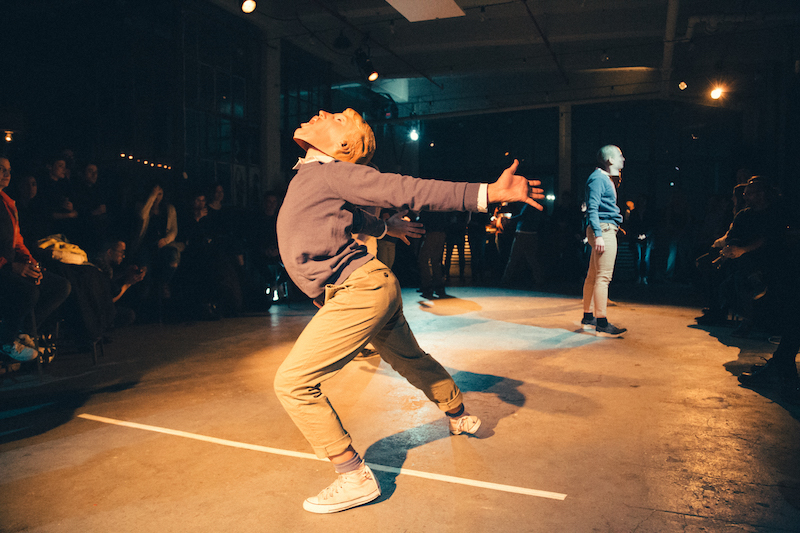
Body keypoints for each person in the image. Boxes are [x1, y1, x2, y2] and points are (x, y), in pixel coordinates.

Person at [273, 108, 543, 514]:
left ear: (341, 147)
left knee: (293, 383)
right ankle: (457, 412)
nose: (323, 111)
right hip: (371, 287)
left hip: (358, 291)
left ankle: (352, 476)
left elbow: (408, 188)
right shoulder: (315, 177)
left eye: (337, 118)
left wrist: (486, 193)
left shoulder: (331, 171)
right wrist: (386, 229)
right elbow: (351, 216)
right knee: (409, 359)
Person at [0, 157, 71, 361]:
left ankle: (24, 332)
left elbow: (17, 240)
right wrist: (11, 266)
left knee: (60, 286)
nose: (7, 174)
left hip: (12, 266)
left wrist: (31, 262)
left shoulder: (7, 202)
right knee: (29, 292)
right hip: (4, 269)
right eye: (1, 169)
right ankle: (6, 340)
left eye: (9, 170)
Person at [581, 145, 627, 336]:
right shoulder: (599, 178)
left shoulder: (600, 178)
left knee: (593, 275)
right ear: (609, 160)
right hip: (604, 229)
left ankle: (588, 315)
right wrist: (599, 234)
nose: (623, 159)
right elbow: (592, 208)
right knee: (603, 277)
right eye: (620, 155)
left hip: (603, 228)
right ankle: (602, 321)